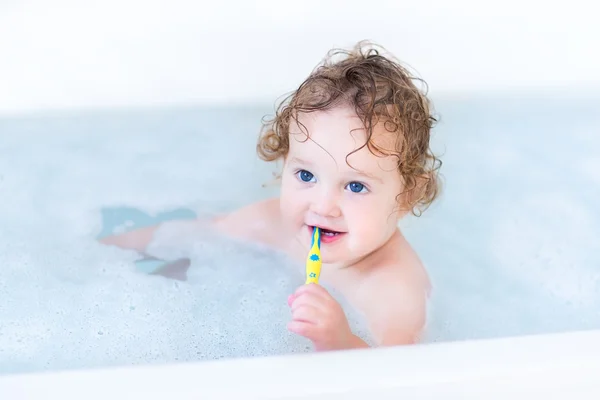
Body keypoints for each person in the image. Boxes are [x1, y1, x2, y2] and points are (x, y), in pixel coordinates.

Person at [100, 41, 442, 351]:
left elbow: (393, 377)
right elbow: (197, 234)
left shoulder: (395, 290)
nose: (322, 207)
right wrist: (111, 249)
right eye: (306, 175)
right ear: (284, 164)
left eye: (355, 186)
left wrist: (339, 341)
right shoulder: (276, 223)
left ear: (406, 196)